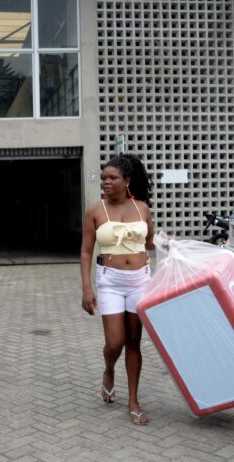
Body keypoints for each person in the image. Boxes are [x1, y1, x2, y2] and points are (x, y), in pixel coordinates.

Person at [80, 153, 155, 426]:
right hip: (109, 281)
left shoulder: (142, 208)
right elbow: (86, 251)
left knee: (134, 341)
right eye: (103, 178)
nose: (106, 182)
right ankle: (109, 370)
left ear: (127, 181)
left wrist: (169, 245)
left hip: (140, 281)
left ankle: (133, 401)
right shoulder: (95, 210)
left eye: (112, 178)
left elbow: (150, 243)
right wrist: (87, 288)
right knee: (115, 343)